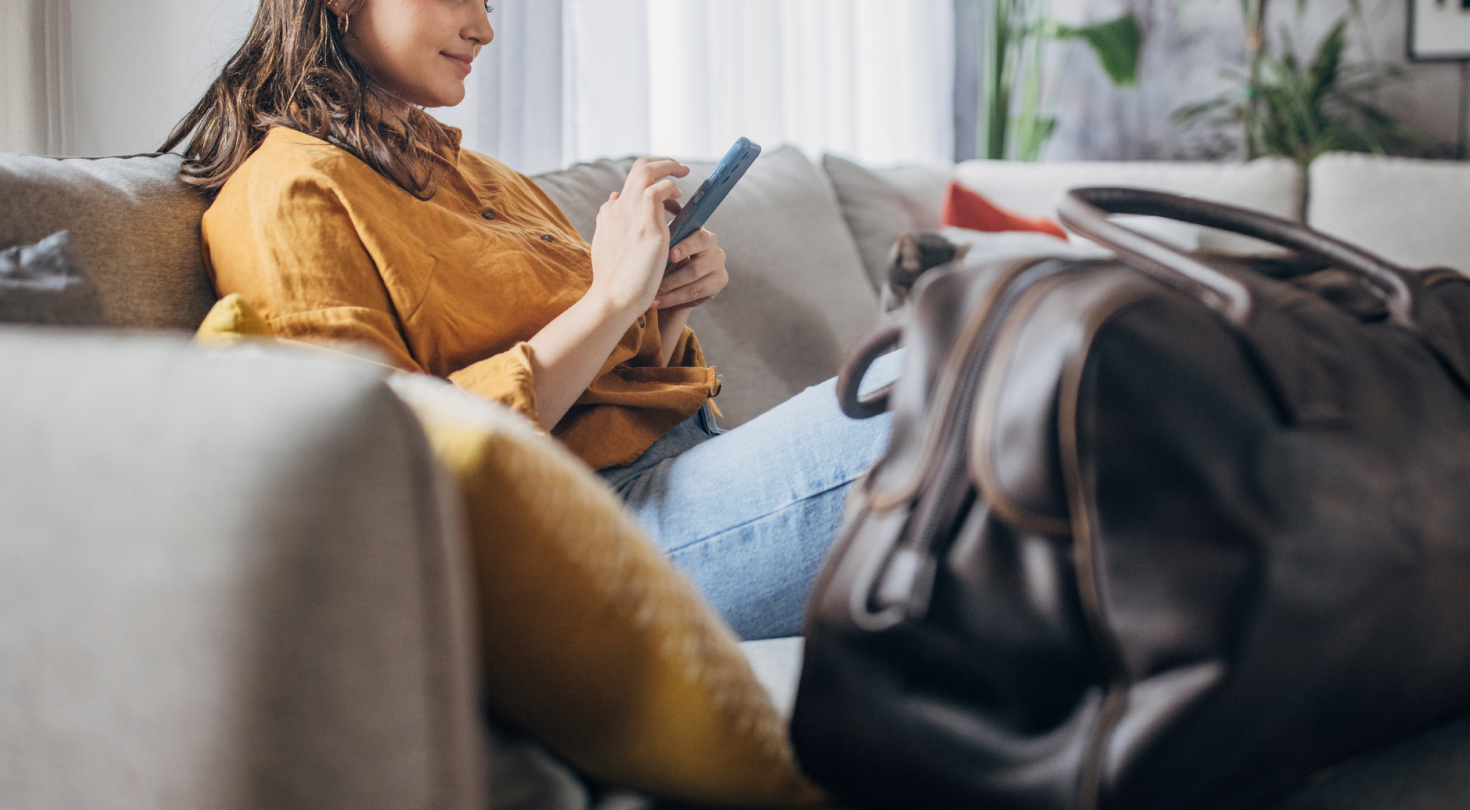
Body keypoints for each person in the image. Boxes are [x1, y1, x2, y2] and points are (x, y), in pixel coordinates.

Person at [163, 0, 895, 639]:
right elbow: (385, 463)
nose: (483, 29)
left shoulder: (484, 178)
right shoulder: (288, 194)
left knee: (936, 371)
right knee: (935, 390)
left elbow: (612, 388)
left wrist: (659, 304)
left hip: (681, 471)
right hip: (578, 540)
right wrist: (610, 299)